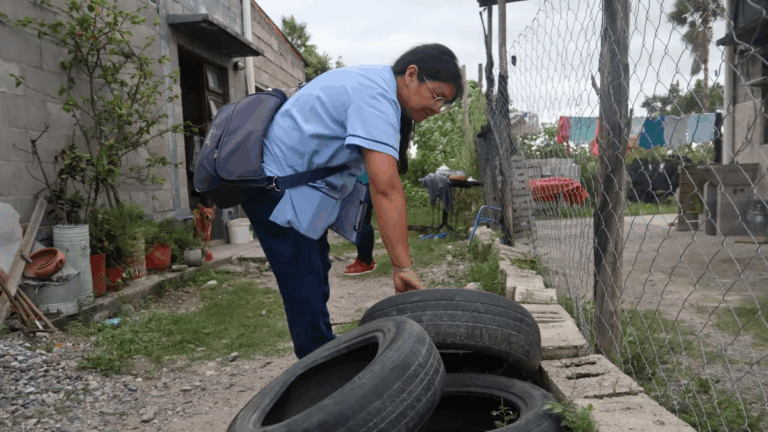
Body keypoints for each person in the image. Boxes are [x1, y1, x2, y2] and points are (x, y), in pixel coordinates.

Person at [241, 43, 464, 359]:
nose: (437, 108)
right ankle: (322, 372)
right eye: (437, 96)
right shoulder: (376, 95)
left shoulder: (378, 88)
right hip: (278, 189)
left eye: (445, 104)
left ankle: (323, 354)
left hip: (297, 190)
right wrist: (402, 266)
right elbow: (385, 187)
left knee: (315, 272)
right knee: (304, 283)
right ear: (411, 75)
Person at [344, 171, 376, 275]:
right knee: (359, 221)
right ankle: (362, 258)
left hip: (364, 183)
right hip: (360, 182)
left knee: (362, 222)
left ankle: (366, 262)